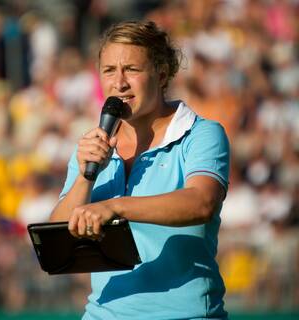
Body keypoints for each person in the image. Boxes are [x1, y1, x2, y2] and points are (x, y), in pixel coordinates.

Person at [50, 20, 230, 320]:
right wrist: (85, 176)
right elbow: (59, 236)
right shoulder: (91, 147)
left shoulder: (202, 134)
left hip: (185, 315)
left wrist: (116, 207)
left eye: (131, 69)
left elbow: (202, 203)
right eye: (109, 71)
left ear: (161, 74)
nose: (119, 82)